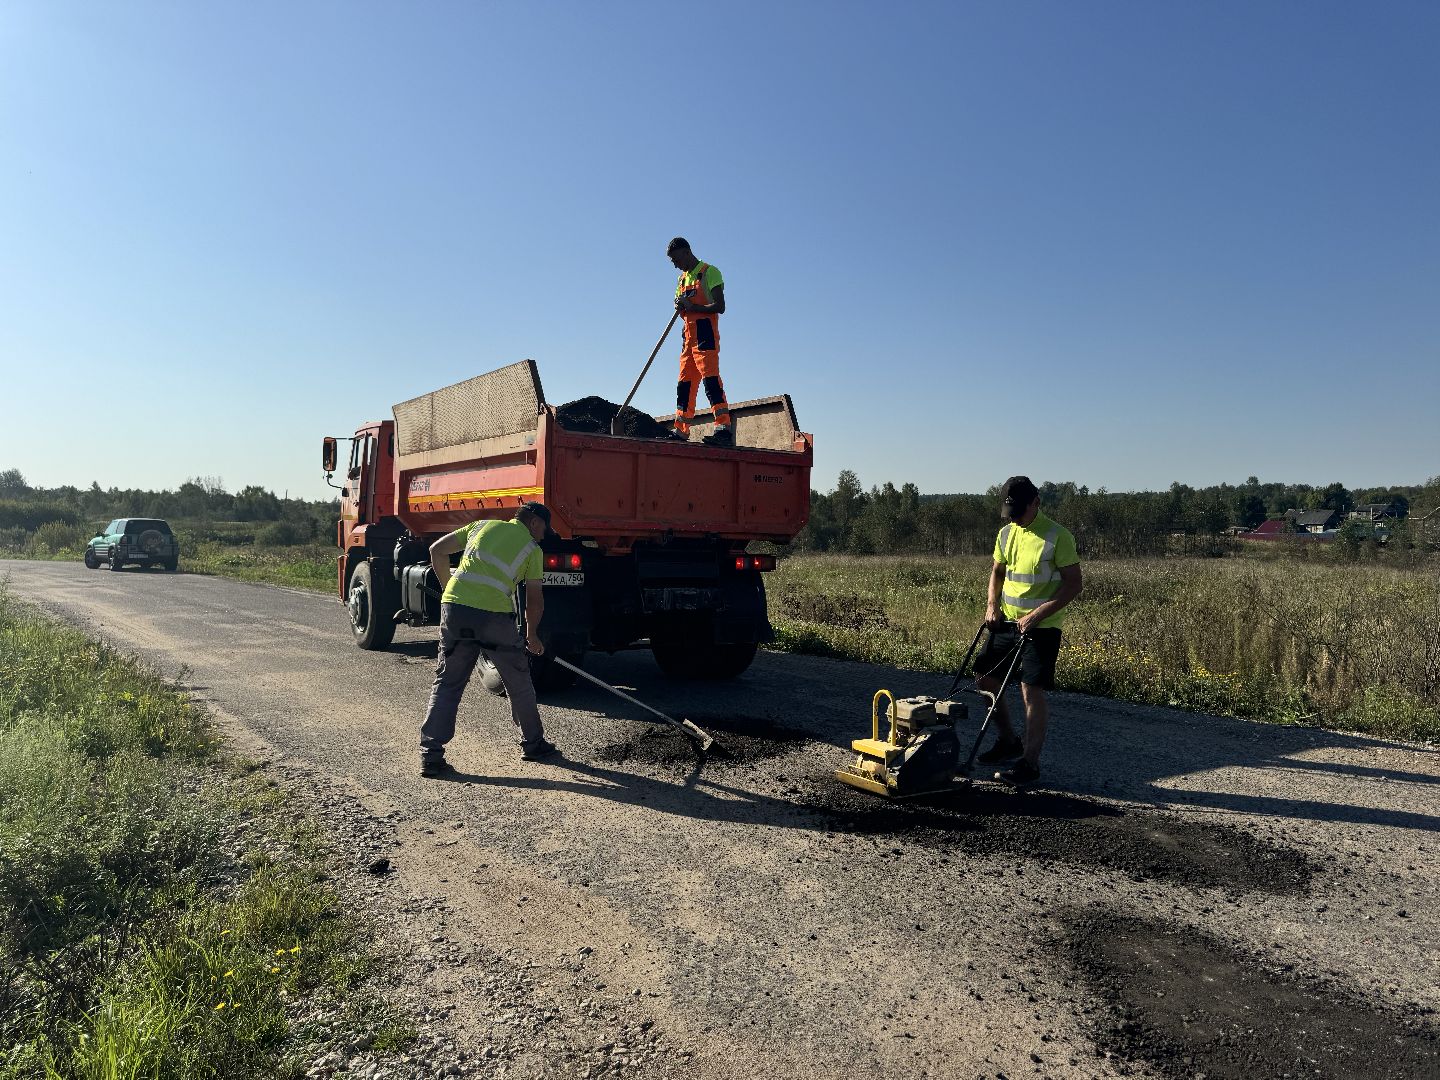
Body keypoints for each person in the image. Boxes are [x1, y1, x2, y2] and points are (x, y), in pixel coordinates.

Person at [419, 501, 558, 777]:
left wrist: (449, 590)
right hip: (495, 618)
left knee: (448, 682)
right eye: (544, 528)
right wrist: (531, 635)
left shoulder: (480, 526)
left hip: (455, 610)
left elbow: (436, 550)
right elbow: (534, 600)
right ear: (534, 523)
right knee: (518, 682)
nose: (544, 534)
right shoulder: (532, 549)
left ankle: (430, 755)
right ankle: (533, 744)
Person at [973, 476, 1083, 787]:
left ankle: (1029, 763)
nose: (1015, 519)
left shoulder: (1058, 536)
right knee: (984, 676)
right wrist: (991, 606)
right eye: (1010, 512)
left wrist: (1037, 614)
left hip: (1042, 626)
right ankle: (1008, 741)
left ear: (1036, 503)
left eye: (1019, 512)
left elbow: (1074, 584)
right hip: (1007, 622)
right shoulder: (1006, 533)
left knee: (1030, 689)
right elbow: (997, 572)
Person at [666, 237, 733, 447]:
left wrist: (692, 306)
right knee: (684, 384)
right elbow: (681, 307)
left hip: (705, 334)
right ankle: (681, 430)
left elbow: (720, 306)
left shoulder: (710, 272)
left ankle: (723, 428)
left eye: (677, 260)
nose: (676, 265)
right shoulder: (681, 280)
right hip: (688, 337)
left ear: (687, 252)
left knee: (710, 380)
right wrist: (679, 305)